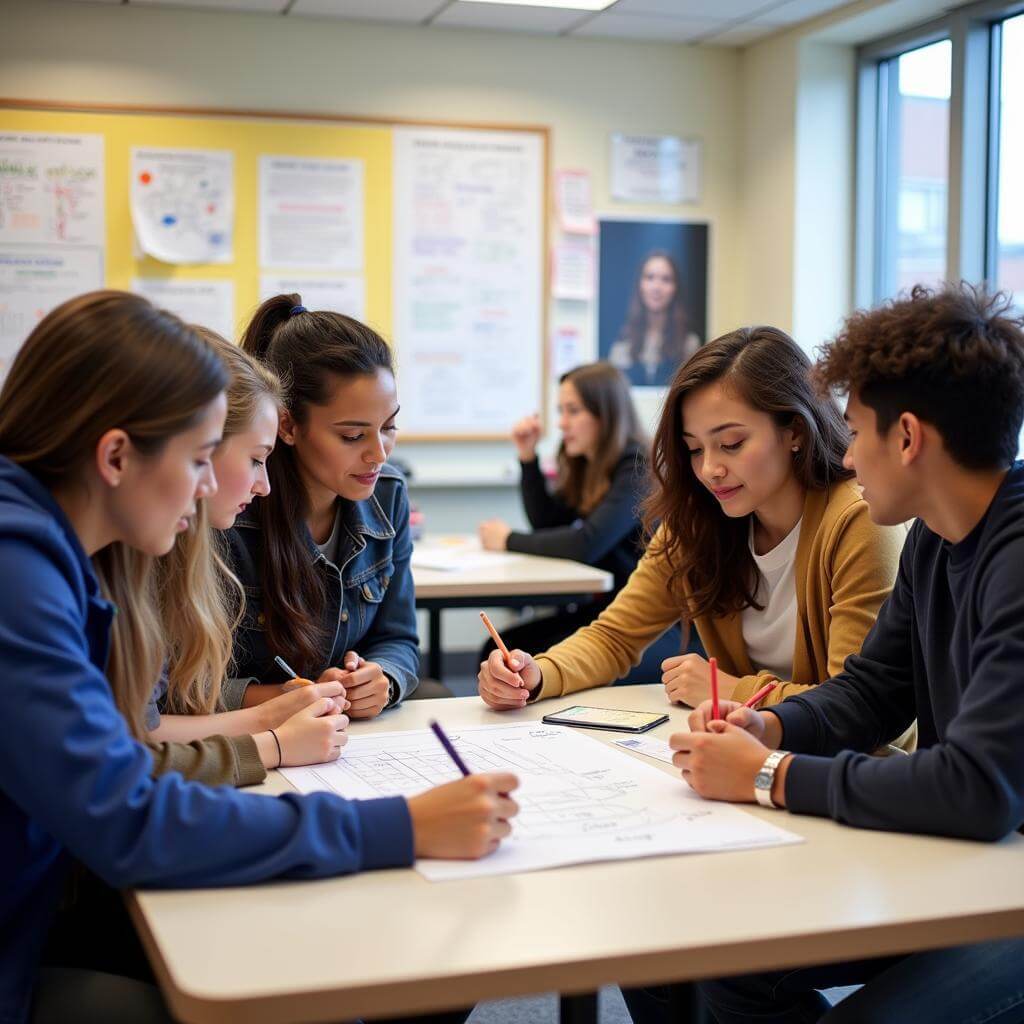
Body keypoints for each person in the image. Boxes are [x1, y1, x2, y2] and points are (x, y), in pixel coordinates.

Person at [0, 291, 518, 1024]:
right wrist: (398, 827)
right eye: (203, 459)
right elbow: (128, 815)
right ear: (115, 456)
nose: (217, 487)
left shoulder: (63, 554)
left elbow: (128, 744)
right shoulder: (18, 571)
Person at [674, 285, 1024, 1024]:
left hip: (1004, 879)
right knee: (704, 952)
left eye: (855, 428)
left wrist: (770, 776)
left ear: (907, 437)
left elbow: (978, 788)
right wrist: (771, 728)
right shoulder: (938, 533)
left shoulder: (1016, 558)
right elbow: (872, 690)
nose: (846, 450)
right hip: (977, 861)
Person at [478, 326, 908, 722]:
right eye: (694, 449)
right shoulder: (700, 520)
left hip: (836, 775)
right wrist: (536, 673)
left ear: (795, 431)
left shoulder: (859, 522)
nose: (710, 469)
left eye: (731, 444)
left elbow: (856, 708)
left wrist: (733, 691)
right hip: (745, 752)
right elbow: (615, 636)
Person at [224, 294, 424, 716]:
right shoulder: (230, 509)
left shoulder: (388, 494)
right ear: (289, 426)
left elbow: (399, 639)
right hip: (259, 739)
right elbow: (180, 689)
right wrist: (292, 698)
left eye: (389, 427)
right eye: (353, 436)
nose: (379, 454)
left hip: (342, 739)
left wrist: (382, 680)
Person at [477, 361, 687, 681]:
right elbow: (547, 524)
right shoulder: (589, 465)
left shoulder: (637, 465)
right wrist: (528, 458)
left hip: (651, 624)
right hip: (605, 611)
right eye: (560, 411)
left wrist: (508, 539)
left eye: (573, 411)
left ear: (606, 414)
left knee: (520, 658)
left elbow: (587, 543)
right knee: (501, 650)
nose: (562, 424)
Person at [608, 250, 701, 387]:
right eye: (650, 277)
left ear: (675, 288)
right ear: (640, 285)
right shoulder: (622, 345)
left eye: (666, 279)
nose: (657, 287)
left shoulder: (689, 345)